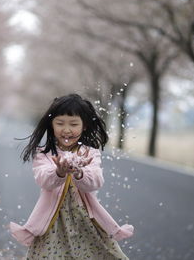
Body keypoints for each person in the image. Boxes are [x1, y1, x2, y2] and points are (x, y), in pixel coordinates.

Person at [8, 93, 134, 259]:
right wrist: (59, 172)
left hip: (86, 221)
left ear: (85, 126)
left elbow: (96, 181)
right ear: (51, 125)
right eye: (60, 123)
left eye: (74, 124)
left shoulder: (90, 153)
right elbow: (43, 180)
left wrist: (79, 173)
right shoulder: (45, 154)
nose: (66, 130)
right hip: (52, 223)